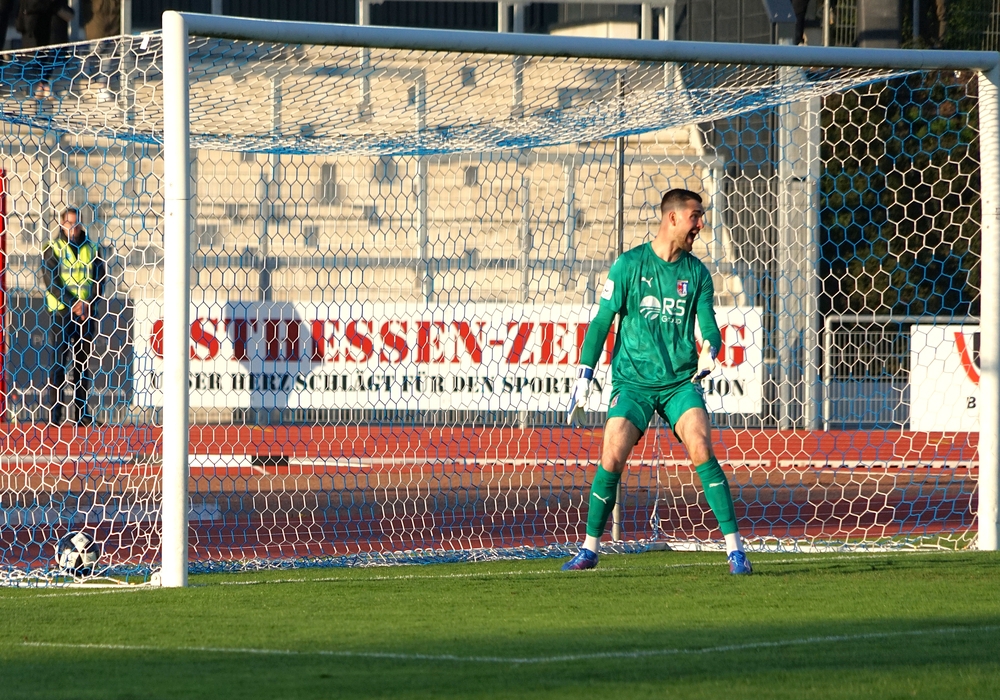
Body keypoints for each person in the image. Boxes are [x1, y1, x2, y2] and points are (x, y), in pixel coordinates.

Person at [562, 188, 752, 575]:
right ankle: (589, 549)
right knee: (612, 452)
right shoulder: (629, 265)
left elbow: (710, 328)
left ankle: (735, 550)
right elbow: (601, 322)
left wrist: (709, 350)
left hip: (680, 383)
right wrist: (585, 374)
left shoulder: (696, 273)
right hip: (632, 382)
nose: (701, 224)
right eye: (696, 216)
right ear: (673, 218)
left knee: (700, 445)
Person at [42, 207, 105, 426]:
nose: (73, 227)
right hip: (61, 313)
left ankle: (82, 414)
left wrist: (88, 304)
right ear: (61, 224)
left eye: (76, 223)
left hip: (86, 315)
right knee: (59, 364)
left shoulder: (92, 248)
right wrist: (74, 304)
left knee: (82, 364)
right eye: (68, 223)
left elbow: (100, 279)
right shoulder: (53, 248)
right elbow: (51, 281)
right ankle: (55, 416)